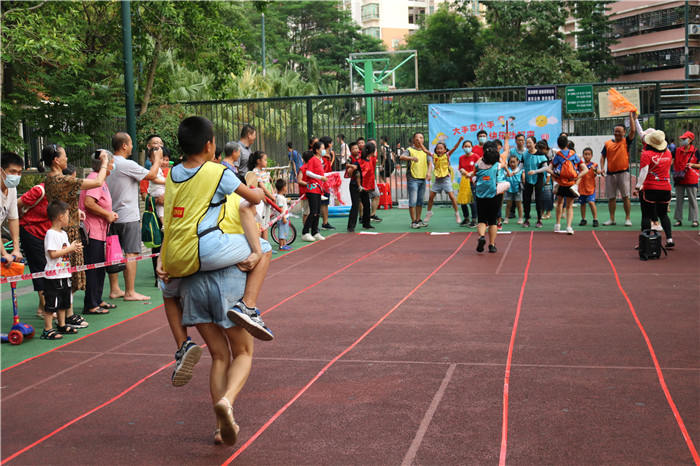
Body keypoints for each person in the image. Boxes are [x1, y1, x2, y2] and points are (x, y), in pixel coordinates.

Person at [158, 116, 274, 387]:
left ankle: (182, 344)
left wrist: (163, 259)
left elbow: (172, 221)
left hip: (176, 252)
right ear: (210, 146)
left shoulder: (173, 174)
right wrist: (256, 185)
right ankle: (249, 305)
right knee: (266, 248)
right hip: (207, 251)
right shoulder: (218, 173)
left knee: (168, 292)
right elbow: (253, 200)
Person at [42, 144, 110, 329]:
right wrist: (103, 163)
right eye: (64, 156)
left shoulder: (49, 179)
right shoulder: (62, 179)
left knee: (70, 275)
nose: (66, 159)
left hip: (66, 226)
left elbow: (61, 202)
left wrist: (75, 210)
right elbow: (97, 183)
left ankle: (68, 313)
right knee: (70, 276)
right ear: (56, 160)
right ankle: (64, 313)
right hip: (69, 232)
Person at [105, 132, 162, 301]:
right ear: (124, 146)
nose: (132, 147)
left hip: (110, 215)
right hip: (128, 215)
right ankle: (130, 291)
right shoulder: (126, 164)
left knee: (113, 251)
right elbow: (151, 175)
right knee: (131, 252)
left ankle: (115, 289)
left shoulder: (108, 164)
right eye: (130, 144)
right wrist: (157, 158)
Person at [79, 150, 119, 315]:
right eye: (111, 162)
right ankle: (91, 303)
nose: (112, 165)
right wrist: (106, 214)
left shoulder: (100, 181)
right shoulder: (94, 179)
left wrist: (109, 213)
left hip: (100, 230)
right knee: (93, 267)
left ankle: (97, 298)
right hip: (92, 230)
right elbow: (89, 203)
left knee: (99, 266)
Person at [531, 135, 588, 235]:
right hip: (571, 183)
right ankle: (569, 227)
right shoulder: (574, 154)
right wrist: (576, 177)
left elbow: (549, 169)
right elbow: (585, 169)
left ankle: (557, 225)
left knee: (560, 203)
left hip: (561, 183)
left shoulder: (558, 155)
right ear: (568, 144)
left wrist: (557, 175)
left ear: (558, 145)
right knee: (569, 206)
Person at [42, 200, 83, 340]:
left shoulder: (63, 234)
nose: (68, 219)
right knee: (51, 303)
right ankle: (47, 329)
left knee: (64, 302)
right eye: (67, 216)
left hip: (65, 273)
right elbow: (53, 254)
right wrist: (69, 249)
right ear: (60, 217)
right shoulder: (51, 234)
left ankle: (61, 324)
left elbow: (64, 252)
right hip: (53, 276)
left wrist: (73, 249)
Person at [634, 130, 674, 248]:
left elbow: (644, 171)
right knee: (663, 214)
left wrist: (638, 186)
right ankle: (670, 238)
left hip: (650, 187)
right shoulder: (668, 154)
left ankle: (644, 242)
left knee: (646, 215)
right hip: (666, 188)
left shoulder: (646, 154)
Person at [17, 179, 50, 318]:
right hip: (31, 232)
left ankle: (42, 307)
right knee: (40, 269)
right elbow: (16, 204)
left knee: (49, 269)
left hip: (46, 235)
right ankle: (45, 309)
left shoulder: (60, 193)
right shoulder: (39, 190)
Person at [600, 111, 637, 226]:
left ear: (624, 132)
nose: (617, 133)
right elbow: (603, 156)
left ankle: (628, 218)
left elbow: (633, 131)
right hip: (611, 174)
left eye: (619, 132)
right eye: (615, 131)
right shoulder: (607, 144)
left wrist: (631, 118)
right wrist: (602, 168)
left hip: (623, 173)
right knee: (611, 197)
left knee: (626, 196)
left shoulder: (626, 141)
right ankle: (612, 219)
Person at [473, 140, 509, 253]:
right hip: (495, 193)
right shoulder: (498, 163)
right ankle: (492, 245)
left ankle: (482, 236)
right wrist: (506, 139)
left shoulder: (479, 163)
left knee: (482, 219)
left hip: (481, 193)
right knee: (493, 220)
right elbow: (506, 151)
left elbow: (474, 174)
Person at [425, 137, 463, 225]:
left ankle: (457, 213)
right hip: (437, 180)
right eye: (438, 148)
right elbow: (425, 151)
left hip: (446, 179)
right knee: (431, 197)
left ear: (445, 150)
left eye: (441, 148)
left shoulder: (447, 155)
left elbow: (454, 148)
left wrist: (459, 140)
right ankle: (428, 213)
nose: (439, 150)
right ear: (435, 150)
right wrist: (420, 144)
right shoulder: (434, 156)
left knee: (452, 196)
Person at [399, 132, 432, 229]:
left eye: (421, 138)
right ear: (413, 140)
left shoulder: (425, 151)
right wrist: (411, 158)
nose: (419, 140)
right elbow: (401, 157)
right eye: (417, 138)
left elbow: (430, 163)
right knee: (413, 201)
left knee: (420, 201)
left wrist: (429, 173)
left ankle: (418, 219)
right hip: (412, 178)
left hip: (422, 178)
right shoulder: (409, 150)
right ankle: (413, 221)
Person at [300, 141, 328, 242]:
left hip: (318, 189)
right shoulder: (313, 159)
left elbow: (320, 175)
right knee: (313, 212)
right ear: (317, 150)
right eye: (323, 148)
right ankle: (305, 232)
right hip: (312, 189)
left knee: (317, 212)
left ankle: (315, 232)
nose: (324, 150)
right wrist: (320, 177)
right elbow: (308, 172)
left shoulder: (321, 160)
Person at [1, 153, 24, 266]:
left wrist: (16, 249)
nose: (16, 175)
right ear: (1, 171)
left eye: (19, 172)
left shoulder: (12, 189)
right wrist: (4, 252)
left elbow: (13, 219)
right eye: (12, 172)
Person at [672, 131, 698, 227]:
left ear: (690, 140)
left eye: (684, 139)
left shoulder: (696, 152)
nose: (682, 140)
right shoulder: (677, 150)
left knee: (692, 200)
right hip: (679, 178)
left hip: (691, 179)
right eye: (682, 139)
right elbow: (669, 157)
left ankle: (695, 220)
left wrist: (693, 165)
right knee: (679, 200)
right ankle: (678, 220)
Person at [248, 151, 275, 241]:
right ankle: (261, 244)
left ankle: (266, 244)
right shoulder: (255, 172)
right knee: (261, 223)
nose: (266, 162)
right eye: (265, 160)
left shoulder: (264, 172)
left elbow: (268, 183)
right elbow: (262, 186)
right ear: (259, 161)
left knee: (266, 222)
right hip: (262, 200)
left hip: (268, 200)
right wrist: (271, 196)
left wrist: (273, 194)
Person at [521, 137, 547, 228]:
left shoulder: (541, 154)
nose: (528, 145)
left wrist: (535, 171)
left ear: (534, 144)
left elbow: (545, 167)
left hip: (538, 178)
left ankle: (539, 219)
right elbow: (520, 167)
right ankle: (527, 219)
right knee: (526, 199)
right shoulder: (525, 155)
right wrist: (513, 172)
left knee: (538, 199)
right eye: (526, 143)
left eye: (530, 143)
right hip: (528, 179)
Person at [457, 140, 479, 228]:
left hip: (473, 181)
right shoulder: (461, 158)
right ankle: (466, 218)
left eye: (469, 146)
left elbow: (479, 168)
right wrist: (462, 170)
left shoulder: (476, 157)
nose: (467, 148)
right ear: (462, 147)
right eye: (465, 146)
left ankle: (474, 219)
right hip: (464, 182)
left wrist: (472, 173)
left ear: (472, 147)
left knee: (472, 201)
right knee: (463, 201)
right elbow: (460, 168)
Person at [578, 147, 601, 227]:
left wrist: (594, 169)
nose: (587, 156)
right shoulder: (581, 165)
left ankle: (595, 219)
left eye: (589, 154)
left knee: (591, 202)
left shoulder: (594, 165)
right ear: (583, 155)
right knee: (582, 204)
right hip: (582, 188)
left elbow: (599, 172)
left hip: (590, 188)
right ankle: (583, 219)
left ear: (591, 155)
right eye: (585, 154)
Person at [318, 136, 336, 231]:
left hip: (326, 182)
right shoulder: (321, 158)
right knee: (321, 204)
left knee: (325, 203)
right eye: (331, 142)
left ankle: (325, 222)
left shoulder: (327, 156)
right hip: (321, 182)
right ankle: (319, 224)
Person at [345, 142, 363, 232]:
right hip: (354, 183)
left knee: (365, 203)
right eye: (353, 149)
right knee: (355, 204)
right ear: (351, 150)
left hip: (364, 183)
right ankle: (351, 226)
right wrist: (353, 166)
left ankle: (365, 221)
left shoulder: (362, 156)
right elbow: (347, 165)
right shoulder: (350, 158)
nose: (356, 150)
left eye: (357, 148)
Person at [503, 156, 524, 225]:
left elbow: (523, 179)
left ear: (518, 162)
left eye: (514, 162)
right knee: (508, 204)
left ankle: (520, 218)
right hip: (509, 189)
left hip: (518, 189)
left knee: (519, 204)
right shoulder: (506, 170)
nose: (512, 164)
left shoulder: (520, 170)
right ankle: (506, 218)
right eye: (511, 162)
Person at [274, 178, 292, 251]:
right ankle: (281, 246)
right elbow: (280, 209)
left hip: (284, 217)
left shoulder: (281, 197)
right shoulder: (280, 198)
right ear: (283, 188)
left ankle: (284, 244)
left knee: (284, 231)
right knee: (282, 232)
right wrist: (284, 217)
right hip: (282, 218)